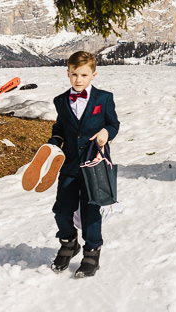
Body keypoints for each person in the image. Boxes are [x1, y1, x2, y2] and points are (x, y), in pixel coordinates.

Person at [40, 51, 120, 278]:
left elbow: (113, 124)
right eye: (74, 74)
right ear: (68, 73)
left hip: (95, 166)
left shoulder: (104, 99)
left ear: (93, 75)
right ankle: (68, 243)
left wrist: (106, 132)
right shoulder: (61, 101)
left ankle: (92, 252)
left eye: (84, 75)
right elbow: (60, 128)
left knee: (91, 211)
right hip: (69, 165)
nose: (78, 79)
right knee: (61, 210)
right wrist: (54, 143)